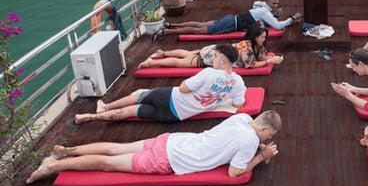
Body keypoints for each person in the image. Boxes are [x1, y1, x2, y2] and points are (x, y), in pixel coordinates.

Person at [26, 110, 282, 183]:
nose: (266, 139)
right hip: (171, 159)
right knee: (108, 164)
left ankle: (65, 151)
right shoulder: (251, 140)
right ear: (264, 131)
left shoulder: (242, 118)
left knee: (115, 148)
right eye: (268, 135)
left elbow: (237, 138)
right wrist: (261, 156)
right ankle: (52, 166)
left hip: (173, 140)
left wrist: (258, 146)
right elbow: (234, 172)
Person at [74, 44, 246, 124]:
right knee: (132, 112)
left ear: (223, 61)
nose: (212, 59)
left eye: (215, 57)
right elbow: (237, 104)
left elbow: (183, 88)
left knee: (138, 97)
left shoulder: (209, 73)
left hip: (169, 98)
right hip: (175, 116)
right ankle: (88, 118)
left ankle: (104, 107)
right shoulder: (238, 82)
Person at [153, 0, 302, 41]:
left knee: (200, 24)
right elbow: (278, 26)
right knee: (199, 30)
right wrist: (293, 18)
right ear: (269, 2)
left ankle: (172, 25)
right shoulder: (265, 12)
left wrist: (274, 14)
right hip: (230, 25)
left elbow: (257, 6)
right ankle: (167, 32)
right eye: (274, 3)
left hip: (231, 18)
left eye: (277, 3)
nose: (276, 5)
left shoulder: (261, 6)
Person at [138, 23, 284, 70]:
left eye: (265, 36)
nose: (264, 39)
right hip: (213, 56)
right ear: (254, 36)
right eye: (262, 37)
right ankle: (152, 62)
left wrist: (268, 58)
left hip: (217, 49)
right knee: (180, 63)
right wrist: (269, 60)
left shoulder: (258, 45)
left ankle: (162, 53)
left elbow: (260, 56)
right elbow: (250, 65)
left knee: (188, 53)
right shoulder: (247, 49)